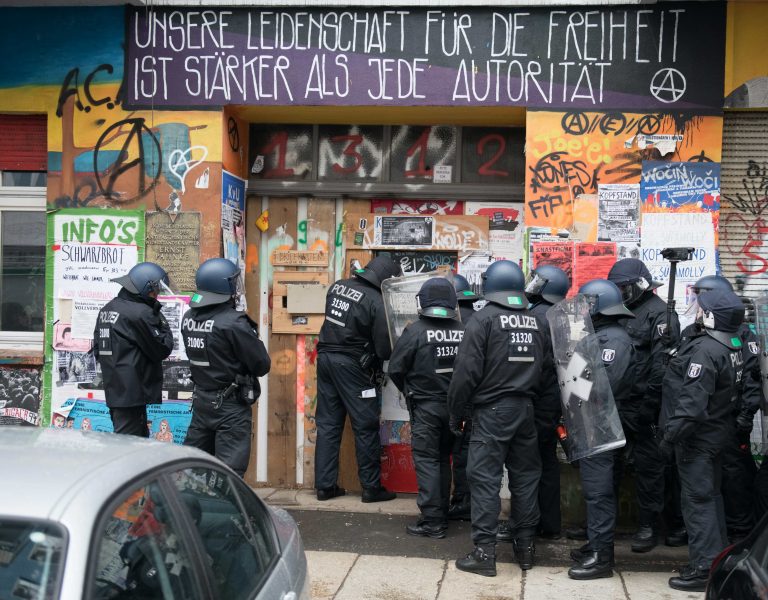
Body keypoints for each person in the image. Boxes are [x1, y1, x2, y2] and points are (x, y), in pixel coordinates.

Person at [448, 260, 554, 576]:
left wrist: (455, 412)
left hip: (491, 413)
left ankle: (484, 553)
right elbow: (548, 371)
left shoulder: (483, 321)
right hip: (526, 411)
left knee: (483, 480)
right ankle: (525, 549)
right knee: (525, 479)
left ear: (490, 285)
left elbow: (464, 374)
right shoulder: (538, 323)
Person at [659, 288, 745, 592]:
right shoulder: (732, 344)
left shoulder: (706, 351)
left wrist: (669, 437)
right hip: (717, 434)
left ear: (710, 315)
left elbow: (692, 404)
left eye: (701, 306)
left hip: (698, 440)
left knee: (698, 503)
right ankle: (717, 562)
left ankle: (704, 568)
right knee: (711, 498)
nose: (696, 309)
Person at [314, 255, 401, 503]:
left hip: (326, 360)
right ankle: (372, 488)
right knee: (365, 426)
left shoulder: (338, 286)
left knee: (329, 425)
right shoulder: (376, 301)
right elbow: (384, 349)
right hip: (353, 367)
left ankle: (324, 486)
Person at [607, 258, 679, 552]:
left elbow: (663, 366)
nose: (621, 293)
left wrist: (650, 404)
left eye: (624, 288)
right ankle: (602, 525)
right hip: (618, 402)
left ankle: (648, 526)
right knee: (608, 465)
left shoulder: (661, 315)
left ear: (638, 285)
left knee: (649, 469)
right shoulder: (618, 311)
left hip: (646, 405)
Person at [685, 275, 762, 542]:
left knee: (734, 475)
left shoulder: (742, 336)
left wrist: (744, 416)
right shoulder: (698, 332)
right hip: (706, 422)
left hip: (729, 420)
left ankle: (740, 530)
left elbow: (752, 381)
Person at [567, 280, 635, 580]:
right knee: (596, 492)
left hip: (601, 426)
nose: (582, 309)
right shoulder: (601, 336)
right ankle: (595, 545)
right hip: (593, 425)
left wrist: (575, 385)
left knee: (599, 493)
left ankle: (601, 558)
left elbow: (605, 387)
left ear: (598, 305)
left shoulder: (614, 341)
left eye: (586, 304)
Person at [388, 278, 465, 539]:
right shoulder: (463, 330)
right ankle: (441, 511)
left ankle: (433, 522)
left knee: (429, 461)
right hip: (456, 408)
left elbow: (396, 369)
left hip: (426, 408)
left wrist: (410, 389)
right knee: (444, 460)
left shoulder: (416, 331)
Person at [181, 258, 270, 478]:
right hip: (229, 405)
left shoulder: (188, 318)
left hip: (201, 401)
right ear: (224, 286)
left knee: (194, 467)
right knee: (229, 473)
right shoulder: (233, 323)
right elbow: (261, 364)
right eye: (233, 282)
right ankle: (224, 511)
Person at [93, 262, 174, 437]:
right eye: (156, 289)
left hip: (116, 389)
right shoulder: (140, 313)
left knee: (134, 444)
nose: (157, 294)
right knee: (127, 447)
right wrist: (161, 321)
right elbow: (162, 348)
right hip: (132, 392)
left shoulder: (109, 308)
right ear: (146, 288)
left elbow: (97, 349)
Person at [524, 264, 570, 540]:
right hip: (555, 398)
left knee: (528, 464)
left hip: (538, 399)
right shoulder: (563, 315)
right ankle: (550, 524)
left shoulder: (538, 316)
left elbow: (533, 365)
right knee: (547, 462)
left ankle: (529, 523)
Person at [448, 273, 480, 521]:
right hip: (478, 398)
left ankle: (462, 502)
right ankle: (470, 501)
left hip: (456, 397)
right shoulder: (478, 320)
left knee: (461, 454)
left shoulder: (452, 321)